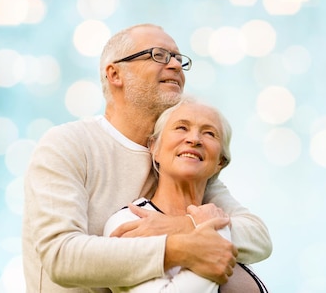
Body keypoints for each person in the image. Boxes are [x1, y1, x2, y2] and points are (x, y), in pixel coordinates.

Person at [22, 23, 272, 292]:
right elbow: (61, 256)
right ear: (115, 74)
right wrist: (177, 248)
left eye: (178, 58)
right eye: (158, 55)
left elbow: (257, 237)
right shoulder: (69, 144)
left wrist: (183, 225)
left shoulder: (180, 160)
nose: (175, 65)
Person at [103, 97, 268, 292]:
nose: (194, 139)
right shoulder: (130, 221)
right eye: (181, 128)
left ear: (220, 162)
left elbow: (262, 241)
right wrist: (214, 231)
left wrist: (194, 225)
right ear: (154, 147)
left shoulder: (219, 217)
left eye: (209, 133)